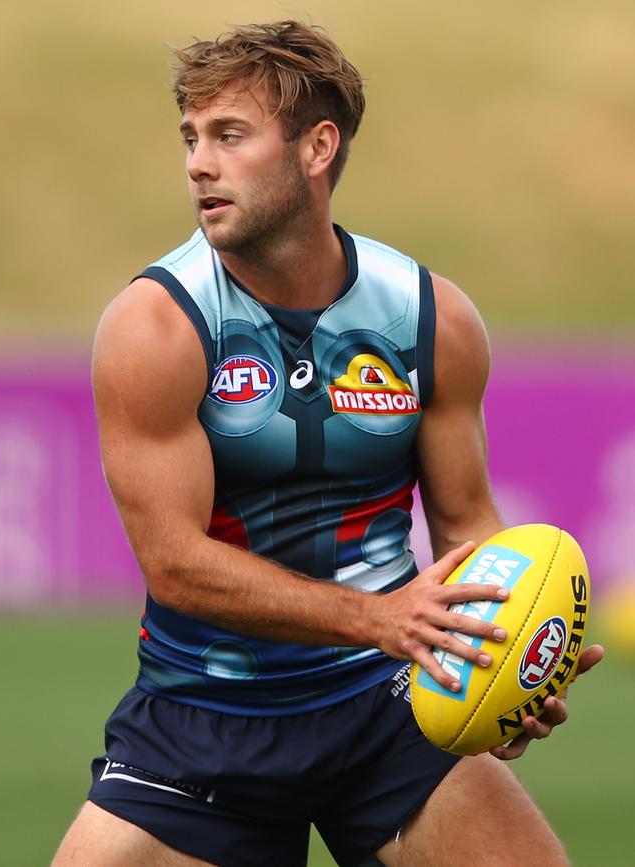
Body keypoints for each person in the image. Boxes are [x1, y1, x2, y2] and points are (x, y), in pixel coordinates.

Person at [52, 21, 603, 867]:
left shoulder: (431, 317)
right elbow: (173, 561)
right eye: (191, 138)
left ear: (317, 148)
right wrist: (380, 619)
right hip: (204, 717)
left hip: (391, 708)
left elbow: (466, 527)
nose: (199, 162)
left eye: (229, 136)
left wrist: (505, 664)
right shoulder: (156, 326)